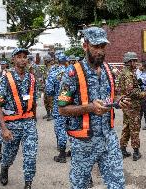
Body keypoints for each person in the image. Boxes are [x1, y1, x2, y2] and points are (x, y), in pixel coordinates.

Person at [58, 27, 129, 189]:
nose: (100, 51)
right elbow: (62, 109)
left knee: (118, 184)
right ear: (85, 46)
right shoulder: (72, 73)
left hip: (108, 138)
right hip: (84, 142)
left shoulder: (108, 70)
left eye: (103, 47)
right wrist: (90, 108)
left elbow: (113, 96)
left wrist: (119, 101)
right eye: (95, 47)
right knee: (79, 185)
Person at [0, 48, 38, 189]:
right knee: (8, 155)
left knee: (30, 156)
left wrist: (34, 118)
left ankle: (28, 184)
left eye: (25, 57)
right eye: (19, 57)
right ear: (13, 59)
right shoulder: (5, 78)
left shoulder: (32, 78)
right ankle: (5, 168)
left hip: (29, 123)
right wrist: (4, 129)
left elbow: (34, 101)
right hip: (12, 124)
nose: (22, 59)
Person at [118, 52, 146, 160]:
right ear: (130, 62)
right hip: (132, 105)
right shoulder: (129, 74)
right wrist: (143, 94)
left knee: (126, 127)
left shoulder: (124, 72)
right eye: (134, 61)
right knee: (134, 128)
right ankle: (136, 152)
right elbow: (131, 91)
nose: (136, 63)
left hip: (126, 105)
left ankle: (123, 150)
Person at [46, 52, 69, 163]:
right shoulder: (72, 72)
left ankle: (62, 154)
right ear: (66, 61)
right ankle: (74, 151)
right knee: (72, 127)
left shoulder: (53, 73)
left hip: (59, 105)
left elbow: (49, 91)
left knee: (60, 128)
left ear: (57, 61)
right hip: (73, 106)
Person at [137, 61, 146, 130]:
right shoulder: (142, 73)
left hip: (145, 95)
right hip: (141, 94)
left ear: (143, 67)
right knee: (140, 110)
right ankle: (138, 124)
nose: (138, 66)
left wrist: (145, 95)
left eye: (140, 65)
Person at [42, 55, 54, 121]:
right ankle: (48, 114)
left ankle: (52, 115)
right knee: (45, 101)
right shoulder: (46, 68)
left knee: (51, 102)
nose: (43, 61)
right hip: (46, 87)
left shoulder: (52, 68)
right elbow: (44, 77)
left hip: (50, 87)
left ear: (47, 60)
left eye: (44, 60)